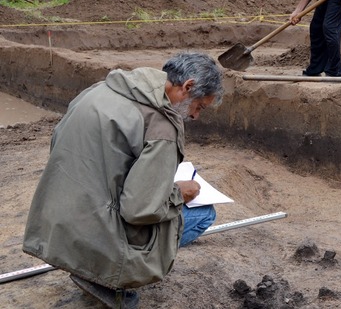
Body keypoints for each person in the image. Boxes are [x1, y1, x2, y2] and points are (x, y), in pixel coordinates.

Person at [23, 52, 224, 309]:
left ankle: (93, 264)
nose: (195, 116)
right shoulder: (161, 126)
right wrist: (176, 193)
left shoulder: (100, 90)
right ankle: (109, 280)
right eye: (199, 107)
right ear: (188, 87)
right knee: (204, 214)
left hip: (58, 225)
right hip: (99, 238)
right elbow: (140, 209)